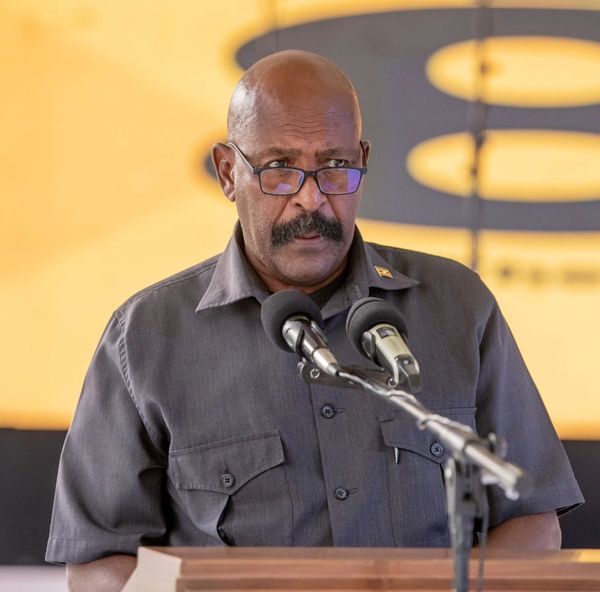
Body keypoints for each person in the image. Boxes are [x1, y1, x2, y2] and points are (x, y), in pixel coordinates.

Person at [46, 50, 583, 591]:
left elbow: (532, 521)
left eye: (334, 166)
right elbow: (98, 563)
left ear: (363, 161)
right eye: (279, 168)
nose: (311, 197)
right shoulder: (144, 336)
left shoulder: (457, 306)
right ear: (228, 172)